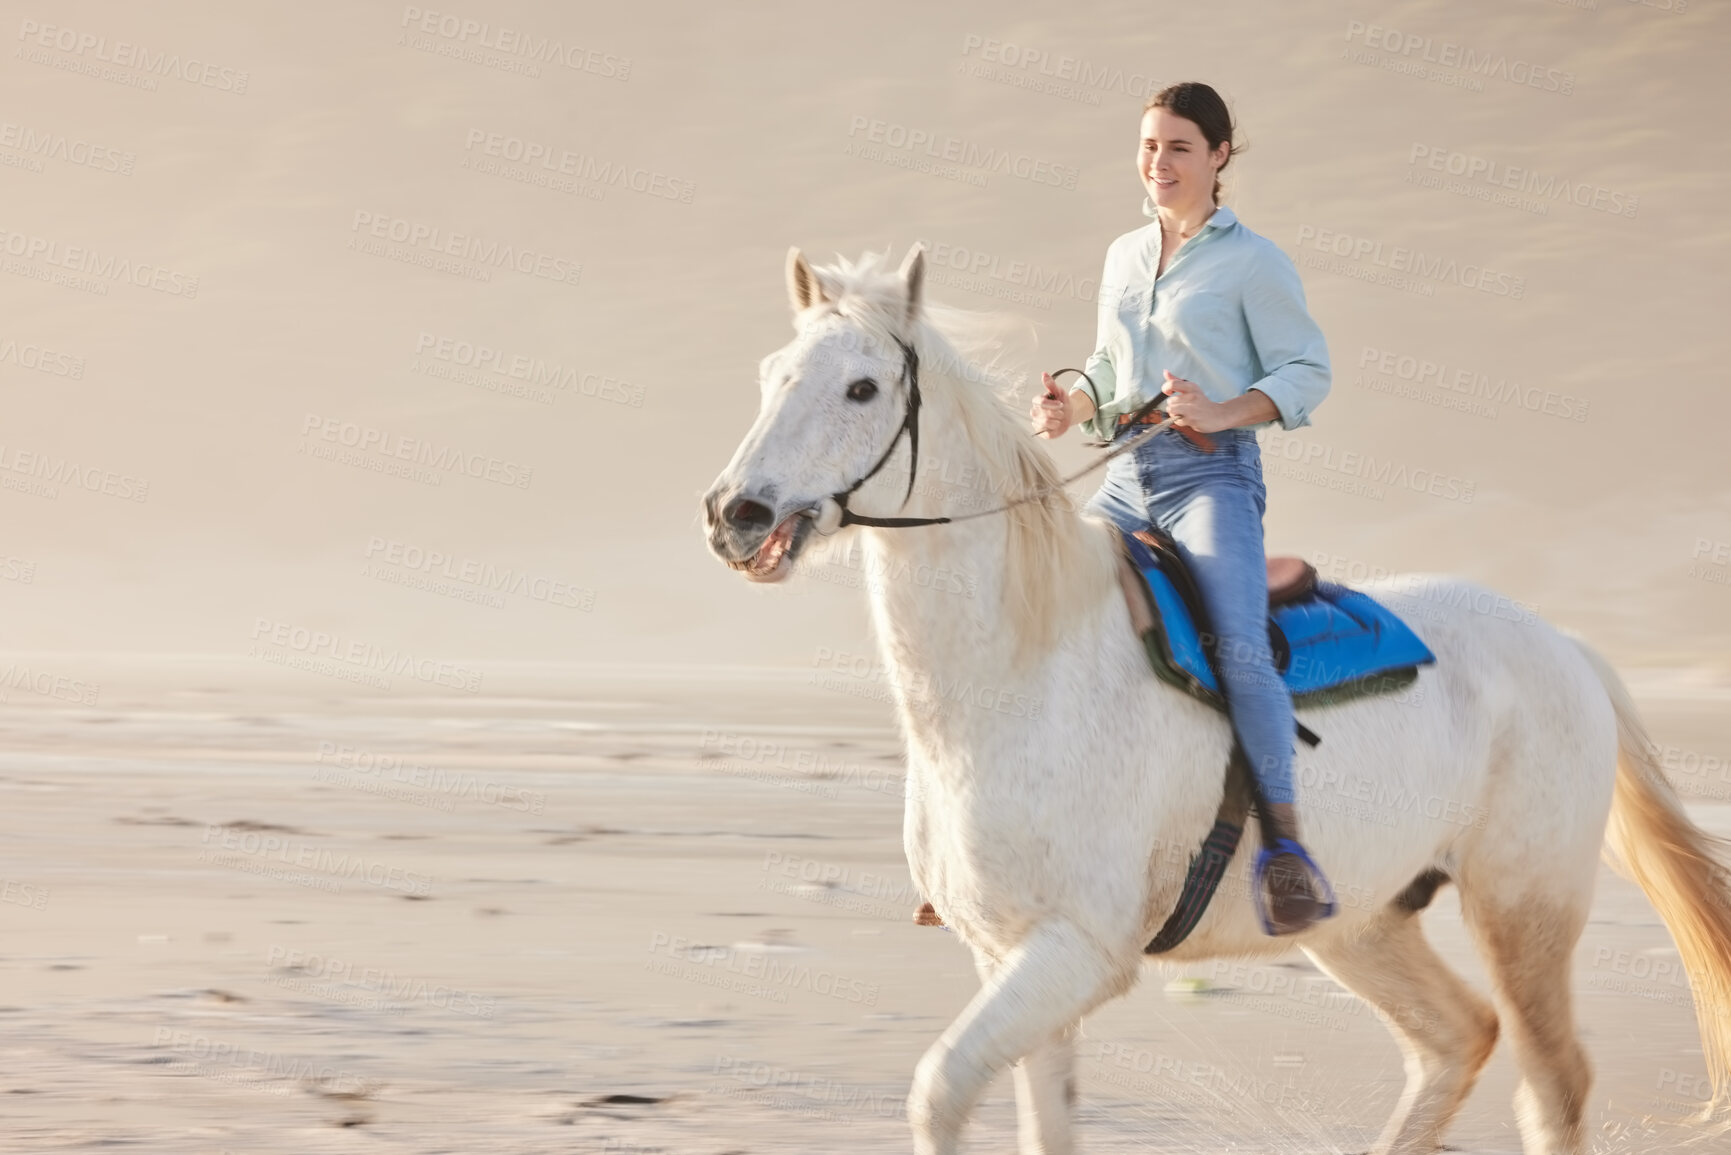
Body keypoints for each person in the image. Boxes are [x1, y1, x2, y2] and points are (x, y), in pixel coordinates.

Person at [1031, 82, 1334, 935]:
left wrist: (1221, 411)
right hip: (1125, 473)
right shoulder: (1123, 254)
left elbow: (1307, 373)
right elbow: (1105, 366)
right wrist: (1070, 407)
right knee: (1042, 611)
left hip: (1212, 477)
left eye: (1177, 148)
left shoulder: (1253, 262)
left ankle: (1286, 851)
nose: (1156, 162)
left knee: (1238, 646)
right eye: (1148, 145)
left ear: (1218, 156)